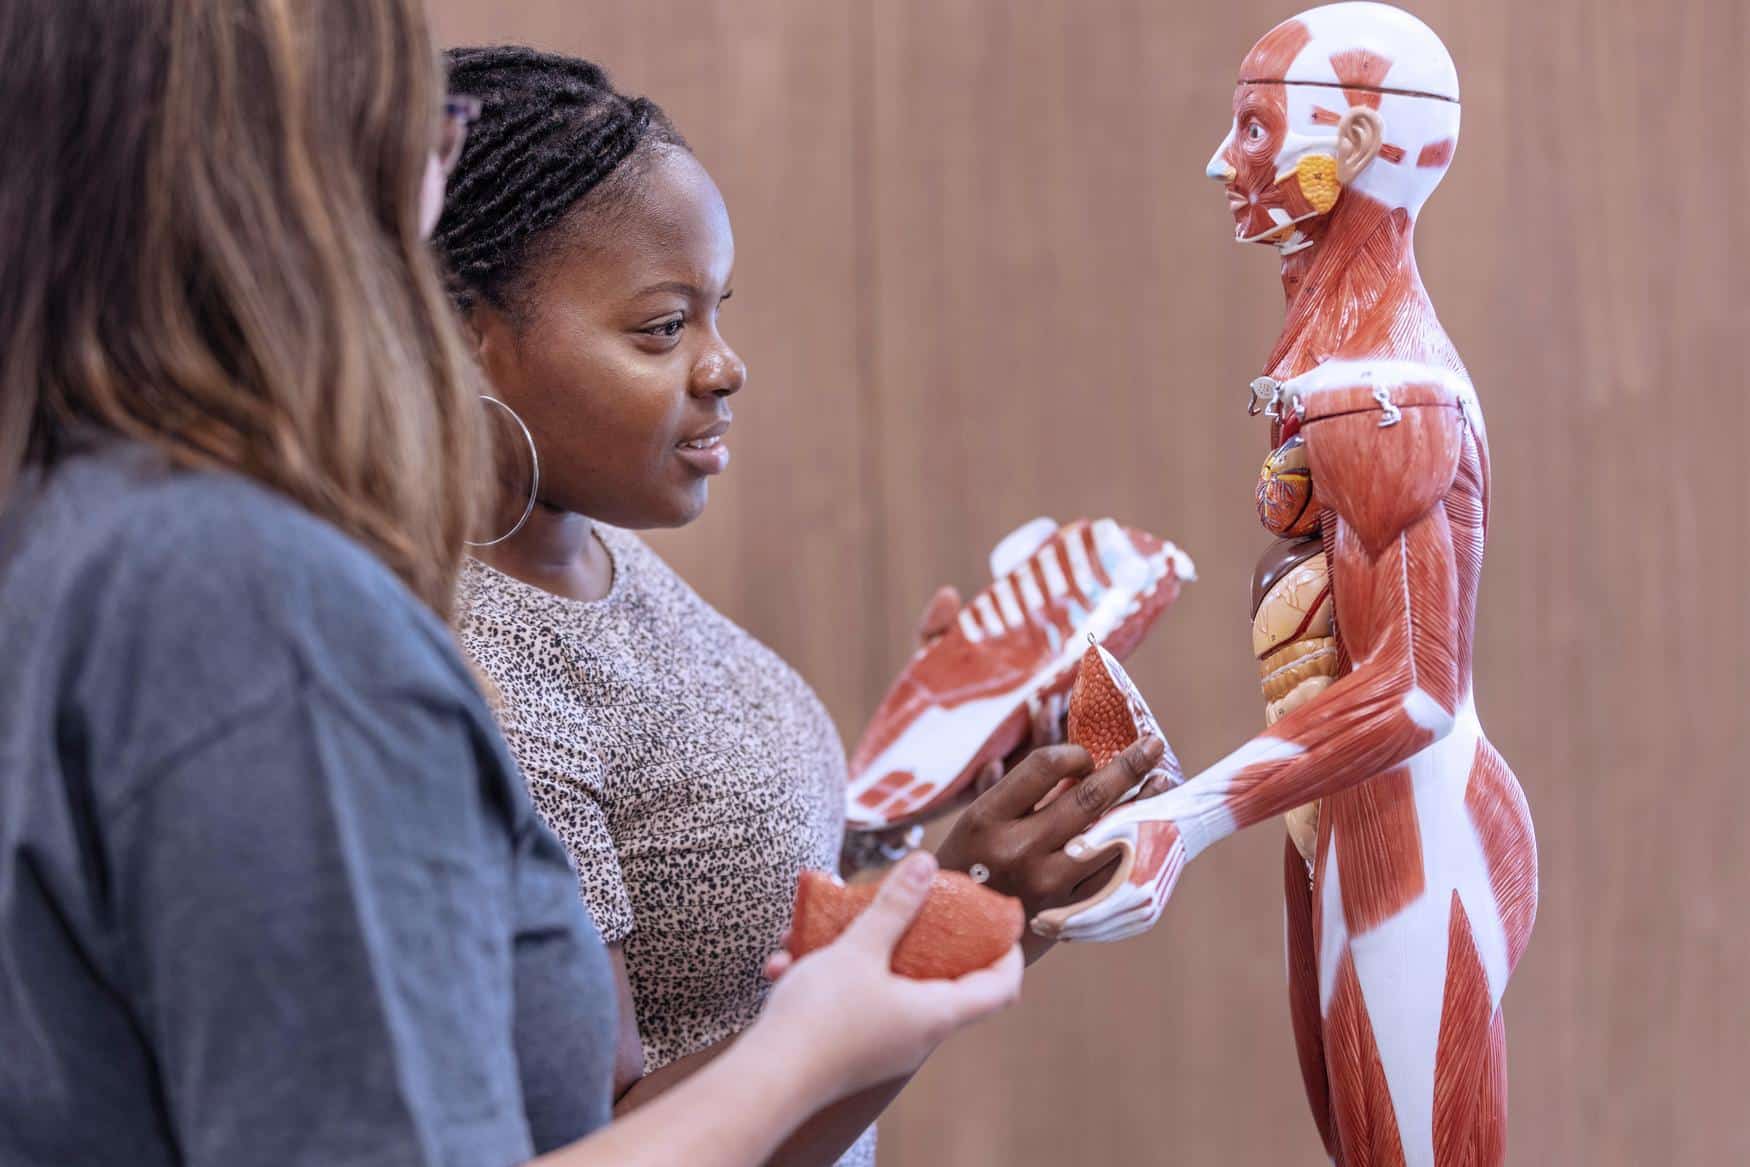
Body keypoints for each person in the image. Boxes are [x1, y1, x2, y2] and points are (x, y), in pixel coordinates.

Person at [0, 2, 1021, 1165]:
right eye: (417, 144)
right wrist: (812, 1048)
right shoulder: (268, 614)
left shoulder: (78, 528)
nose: (431, 185)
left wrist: (907, 857)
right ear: (295, 193)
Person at [434, 47, 1166, 1166]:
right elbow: (605, 1144)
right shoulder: (483, 670)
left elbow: (728, 922)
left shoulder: (589, 552)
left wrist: (935, 783)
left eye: (717, 313)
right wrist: (953, 916)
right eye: (661, 328)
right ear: (465, 341)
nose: (724, 368)